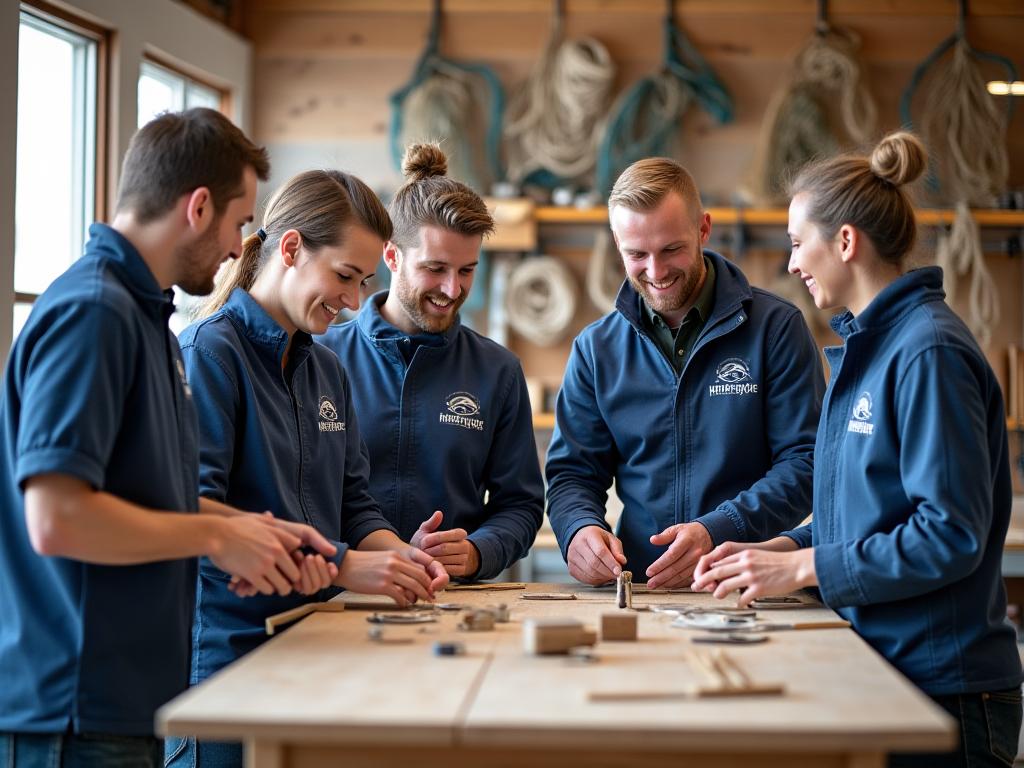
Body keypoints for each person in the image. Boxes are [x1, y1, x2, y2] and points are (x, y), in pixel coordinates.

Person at [0, 108, 334, 766]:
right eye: (240, 223)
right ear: (199, 206)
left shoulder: (145, 316)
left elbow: (147, 495)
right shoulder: (93, 314)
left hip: (126, 702)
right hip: (71, 712)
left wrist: (255, 533)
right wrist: (216, 535)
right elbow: (57, 517)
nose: (242, 247)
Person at [692, 132, 1023, 767]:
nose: (791, 265)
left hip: (944, 687)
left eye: (796, 243)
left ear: (844, 242)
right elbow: (863, 518)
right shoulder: (871, 352)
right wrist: (780, 549)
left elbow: (949, 534)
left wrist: (801, 572)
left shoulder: (928, 352)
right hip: (890, 671)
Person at [166, 169, 449, 767]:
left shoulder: (326, 368)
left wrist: (398, 557)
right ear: (291, 248)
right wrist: (346, 565)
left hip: (316, 647)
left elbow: (354, 502)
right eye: (344, 277)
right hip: (226, 664)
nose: (353, 302)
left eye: (365, 282)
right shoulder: (210, 355)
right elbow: (195, 517)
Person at [545, 157, 824, 588]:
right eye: (636, 254)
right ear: (616, 243)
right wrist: (578, 529)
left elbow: (806, 463)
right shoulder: (595, 350)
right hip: (639, 585)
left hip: (751, 583)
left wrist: (720, 528)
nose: (655, 273)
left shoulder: (775, 329)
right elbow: (573, 474)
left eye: (671, 249)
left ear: (703, 229)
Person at [318, 144, 544, 581]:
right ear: (391, 256)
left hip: (450, 603)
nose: (453, 289)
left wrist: (479, 551)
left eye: (467, 270)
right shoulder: (322, 358)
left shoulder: (497, 371)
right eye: (435, 268)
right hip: (338, 597)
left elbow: (520, 505)